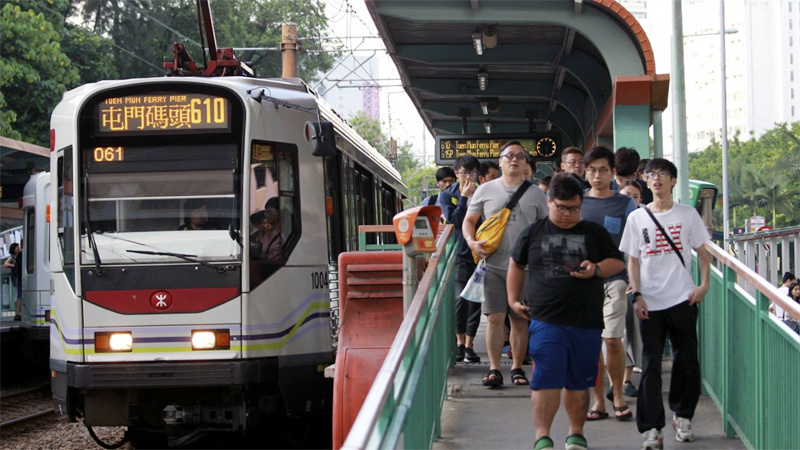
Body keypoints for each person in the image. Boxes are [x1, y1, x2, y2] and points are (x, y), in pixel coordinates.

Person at [508, 173, 625, 450]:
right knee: (546, 376)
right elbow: (516, 264)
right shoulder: (534, 232)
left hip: (586, 319)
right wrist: (513, 300)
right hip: (546, 318)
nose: (568, 214)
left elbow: (617, 263)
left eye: (574, 208)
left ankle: (576, 434)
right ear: (549, 202)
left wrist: (595, 269)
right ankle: (542, 436)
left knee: (578, 381)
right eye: (561, 207)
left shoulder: (594, 232)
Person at [619, 158, 711, 450]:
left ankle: (683, 416)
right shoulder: (637, 218)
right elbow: (632, 259)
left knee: (687, 362)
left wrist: (704, 285)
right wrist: (636, 293)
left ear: (673, 180)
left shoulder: (687, 215)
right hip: (650, 301)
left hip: (683, 297)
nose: (656, 179)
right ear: (645, 181)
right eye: (651, 174)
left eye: (663, 174)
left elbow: (703, 251)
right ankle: (652, 429)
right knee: (650, 366)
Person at [463, 140, 548, 388]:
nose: (514, 159)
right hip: (493, 266)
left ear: (526, 163)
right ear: (500, 161)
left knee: (520, 319)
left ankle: (517, 367)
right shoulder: (485, 190)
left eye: (520, 156)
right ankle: (494, 369)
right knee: (494, 318)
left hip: (525, 269)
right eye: (509, 155)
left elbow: (544, 228)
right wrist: (471, 242)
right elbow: (469, 221)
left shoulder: (535, 194)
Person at [580, 146, 637, 422]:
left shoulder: (624, 204)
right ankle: (598, 400)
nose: (597, 175)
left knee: (612, 339)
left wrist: (634, 279)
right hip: (582, 282)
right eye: (592, 170)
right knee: (592, 342)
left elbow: (634, 245)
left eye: (603, 169)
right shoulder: (577, 201)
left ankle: (618, 395)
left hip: (615, 278)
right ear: (585, 171)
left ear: (613, 172)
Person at [437, 154, 482, 363]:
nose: (468, 177)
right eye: (464, 172)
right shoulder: (448, 196)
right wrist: (464, 199)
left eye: (472, 172)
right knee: (460, 300)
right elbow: (452, 224)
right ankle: (459, 343)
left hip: (481, 254)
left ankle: (470, 345)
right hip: (459, 254)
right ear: (456, 174)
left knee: (476, 301)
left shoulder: (484, 192)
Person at [617, 179, 644, 395]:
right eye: (626, 196)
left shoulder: (646, 220)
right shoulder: (614, 218)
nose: (630, 200)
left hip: (641, 288)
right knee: (618, 334)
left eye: (634, 196)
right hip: (615, 284)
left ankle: (627, 380)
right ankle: (620, 382)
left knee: (636, 334)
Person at [3, 243, 23, 321]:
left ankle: (18, 312)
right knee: (18, 294)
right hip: (16, 277)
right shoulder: (12, 257)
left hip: (18, 277)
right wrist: (14, 266)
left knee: (18, 294)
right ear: (14, 249)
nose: (18, 248)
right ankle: (18, 313)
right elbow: (5, 264)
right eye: (17, 247)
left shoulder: (19, 256)